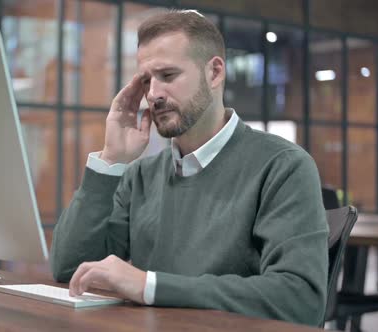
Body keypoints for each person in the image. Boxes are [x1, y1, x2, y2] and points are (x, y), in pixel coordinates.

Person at [50, 9, 328, 327]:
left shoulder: (283, 166)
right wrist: (111, 160)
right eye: (146, 80)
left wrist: (150, 286)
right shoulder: (140, 175)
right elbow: (69, 270)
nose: (153, 94)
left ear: (214, 73)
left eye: (168, 76)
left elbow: (300, 299)